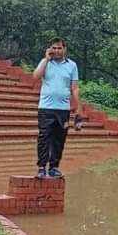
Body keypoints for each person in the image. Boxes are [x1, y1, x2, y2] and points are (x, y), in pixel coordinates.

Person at [33, 38, 81, 178]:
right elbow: (35, 76)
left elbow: (75, 88)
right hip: (46, 108)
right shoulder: (45, 63)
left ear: (64, 49)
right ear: (50, 49)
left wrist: (78, 107)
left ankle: (54, 167)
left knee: (59, 139)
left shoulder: (72, 65)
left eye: (59, 48)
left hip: (63, 109)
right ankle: (42, 167)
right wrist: (46, 59)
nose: (57, 51)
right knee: (44, 137)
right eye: (54, 48)